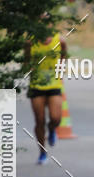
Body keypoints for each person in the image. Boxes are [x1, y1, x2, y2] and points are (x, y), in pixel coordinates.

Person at [25, 29, 67, 165]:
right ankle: (42, 152)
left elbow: (64, 55)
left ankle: (52, 128)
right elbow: (26, 60)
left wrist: (61, 68)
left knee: (55, 118)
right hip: (36, 85)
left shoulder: (59, 40)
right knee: (39, 120)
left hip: (54, 84)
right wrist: (29, 69)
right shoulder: (30, 41)